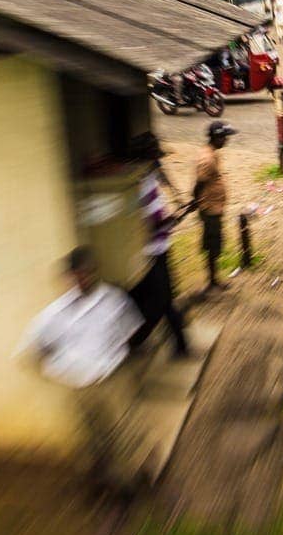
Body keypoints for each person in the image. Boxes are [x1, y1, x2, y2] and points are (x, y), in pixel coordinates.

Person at [17, 246, 150, 496]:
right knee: (90, 436)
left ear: (94, 272)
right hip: (77, 386)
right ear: (68, 276)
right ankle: (97, 482)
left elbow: (132, 334)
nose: (82, 278)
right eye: (76, 274)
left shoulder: (113, 300)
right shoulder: (54, 313)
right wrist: (57, 369)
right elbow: (32, 351)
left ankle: (127, 482)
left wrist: (124, 366)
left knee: (125, 432)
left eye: (87, 272)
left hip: (111, 379)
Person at [126, 132, 190, 358]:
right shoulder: (142, 186)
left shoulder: (149, 174)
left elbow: (162, 173)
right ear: (146, 157)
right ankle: (174, 345)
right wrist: (173, 218)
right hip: (151, 251)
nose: (157, 161)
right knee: (161, 302)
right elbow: (152, 225)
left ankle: (174, 341)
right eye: (154, 156)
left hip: (161, 246)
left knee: (163, 297)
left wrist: (178, 202)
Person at [194, 120, 237, 291]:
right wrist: (197, 200)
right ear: (217, 137)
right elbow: (199, 183)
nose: (227, 140)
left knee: (214, 243)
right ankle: (212, 281)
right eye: (225, 137)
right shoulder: (208, 159)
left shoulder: (212, 153)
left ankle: (213, 279)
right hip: (210, 209)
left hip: (213, 207)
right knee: (213, 244)